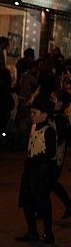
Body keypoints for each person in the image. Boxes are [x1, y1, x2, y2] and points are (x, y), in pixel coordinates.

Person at [16, 94, 56, 244]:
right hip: (31, 170)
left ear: (44, 115)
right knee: (27, 201)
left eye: (34, 113)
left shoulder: (48, 130)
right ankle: (32, 231)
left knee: (43, 202)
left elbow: (51, 152)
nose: (31, 116)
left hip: (42, 171)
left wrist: (35, 159)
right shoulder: (33, 127)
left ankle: (48, 232)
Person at [50, 90, 71, 219]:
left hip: (55, 157)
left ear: (60, 103)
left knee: (50, 182)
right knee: (49, 183)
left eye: (53, 99)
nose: (50, 101)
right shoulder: (55, 116)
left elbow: (58, 139)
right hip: (53, 156)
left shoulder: (61, 119)